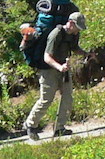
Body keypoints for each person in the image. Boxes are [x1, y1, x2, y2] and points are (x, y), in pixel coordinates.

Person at [24, 12, 92, 140]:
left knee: (67, 97)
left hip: (63, 68)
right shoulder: (55, 34)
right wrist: (59, 67)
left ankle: (59, 128)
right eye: (77, 27)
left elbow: (74, 47)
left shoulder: (73, 34)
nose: (78, 30)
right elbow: (46, 57)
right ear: (71, 23)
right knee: (46, 99)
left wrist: (85, 54)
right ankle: (30, 124)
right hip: (48, 70)